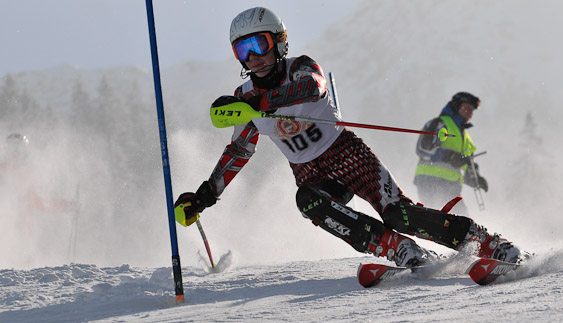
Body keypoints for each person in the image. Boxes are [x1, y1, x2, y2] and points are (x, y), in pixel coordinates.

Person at [174, 7, 525, 269]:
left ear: (279, 42)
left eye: (259, 45)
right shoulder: (246, 96)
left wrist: (260, 103)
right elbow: (239, 150)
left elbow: (313, 88)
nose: (253, 58)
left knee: (400, 214)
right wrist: (206, 195)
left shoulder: (298, 67)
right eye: (242, 50)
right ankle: (397, 249)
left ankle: (485, 242)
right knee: (307, 200)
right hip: (310, 172)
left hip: (347, 154)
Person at [413, 92, 489, 215]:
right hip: (430, 181)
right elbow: (423, 148)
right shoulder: (439, 124)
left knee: (462, 221)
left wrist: (476, 178)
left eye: (472, 110)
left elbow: (467, 162)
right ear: (456, 106)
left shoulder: (466, 138)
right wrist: (449, 157)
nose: (469, 113)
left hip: (451, 188)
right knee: (436, 220)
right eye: (466, 108)